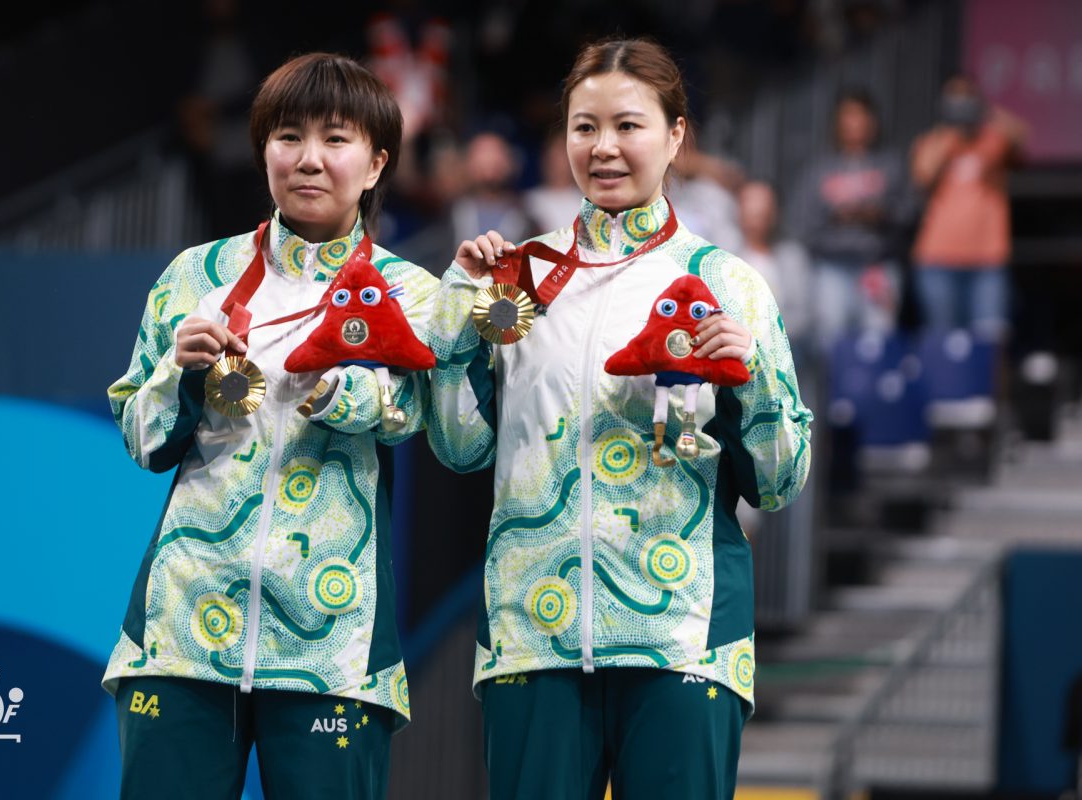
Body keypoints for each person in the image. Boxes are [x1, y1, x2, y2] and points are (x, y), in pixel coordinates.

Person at [426, 37, 812, 800]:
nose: (604, 148)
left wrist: (753, 380)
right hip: (532, 631)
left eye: (628, 126)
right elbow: (461, 445)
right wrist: (454, 320)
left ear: (675, 136)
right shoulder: (520, 276)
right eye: (584, 127)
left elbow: (778, 481)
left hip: (683, 634)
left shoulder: (727, 282)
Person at [102, 53, 437, 800]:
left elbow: (414, 416)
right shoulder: (195, 275)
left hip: (333, 635)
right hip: (185, 625)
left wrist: (336, 388)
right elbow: (140, 434)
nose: (309, 159)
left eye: (337, 139)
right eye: (288, 137)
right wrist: (179, 373)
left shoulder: (412, 292)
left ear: (377, 163)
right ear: (263, 152)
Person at [909, 73, 1027, 341]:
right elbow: (922, 175)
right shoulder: (934, 140)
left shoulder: (993, 140)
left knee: (992, 341)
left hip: (988, 258)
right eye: (954, 98)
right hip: (938, 259)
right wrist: (950, 133)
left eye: (966, 97)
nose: (961, 103)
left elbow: (1022, 136)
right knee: (943, 340)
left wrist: (986, 112)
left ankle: (989, 387)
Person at [789, 88, 908, 350]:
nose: (855, 123)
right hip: (832, 267)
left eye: (861, 116)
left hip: (877, 265)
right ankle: (836, 393)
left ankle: (876, 392)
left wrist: (879, 214)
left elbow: (908, 213)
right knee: (831, 342)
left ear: (872, 122)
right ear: (837, 122)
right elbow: (801, 223)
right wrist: (835, 216)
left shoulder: (890, 164)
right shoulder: (820, 168)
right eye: (848, 116)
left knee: (880, 341)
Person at [737, 180, 813, 358]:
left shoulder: (792, 257)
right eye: (750, 202)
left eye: (763, 204)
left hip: (783, 347)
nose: (756, 210)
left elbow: (803, 315)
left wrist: (768, 338)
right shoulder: (722, 255)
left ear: (774, 211)